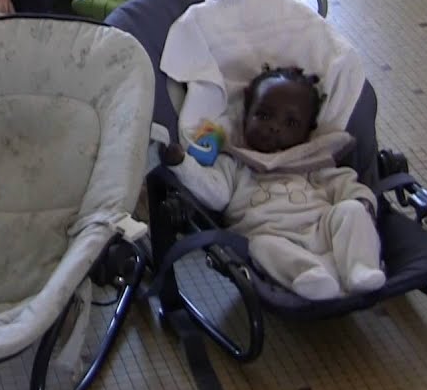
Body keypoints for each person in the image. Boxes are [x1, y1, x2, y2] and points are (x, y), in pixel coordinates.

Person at [161, 65, 386, 301]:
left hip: (324, 232)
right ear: (247, 114)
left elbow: (344, 183)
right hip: (274, 239)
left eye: (291, 123)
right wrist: (183, 164)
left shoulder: (310, 162)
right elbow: (215, 194)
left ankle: (361, 268)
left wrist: (363, 201)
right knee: (259, 246)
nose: (274, 127)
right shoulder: (234, 163)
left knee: (351, 209)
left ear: (307, 132)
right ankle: (311, 275)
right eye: (264, 115)